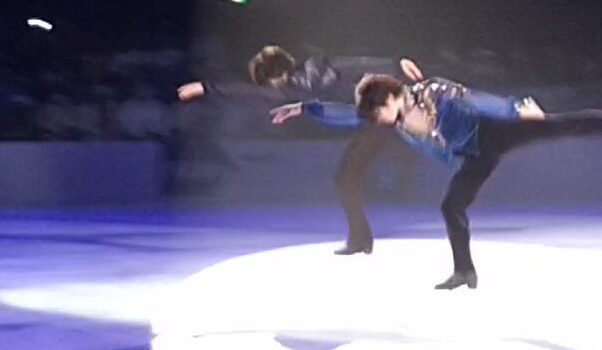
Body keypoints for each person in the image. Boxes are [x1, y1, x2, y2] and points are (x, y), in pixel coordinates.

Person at [345, 74, 602, 290]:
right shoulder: (401, 124)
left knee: (570, 124)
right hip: (476, 154)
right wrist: (305, 108)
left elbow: (478, 99)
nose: (377, 121)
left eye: (377, 112)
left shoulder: (431, 91)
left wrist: (517, 109)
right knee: (451, 205)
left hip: (498, 129)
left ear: (390, 98)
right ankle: (464, 271)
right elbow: (347, 115)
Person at [178, 45, 422, 255]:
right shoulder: (307, 74)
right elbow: (348, 75)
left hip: (381, 115)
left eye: (269, 82)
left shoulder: (306, 76)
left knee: (346, 177)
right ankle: (360, 239)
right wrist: (395, 64)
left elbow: (354, 66)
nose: (271, 90)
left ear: (276, 74)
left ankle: (361, 239)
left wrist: (206, 88)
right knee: (345, 178)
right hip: (369, 116)